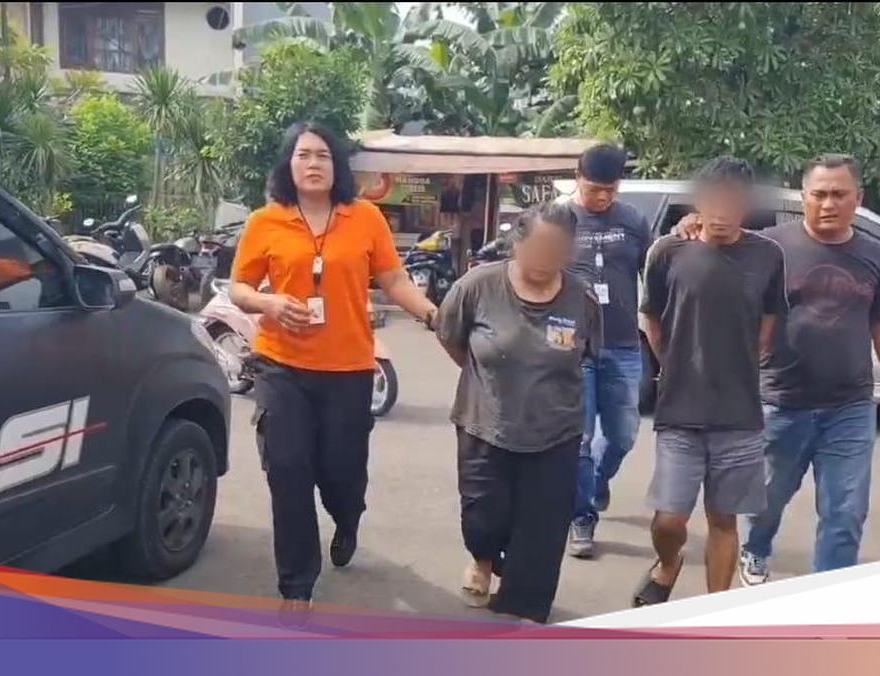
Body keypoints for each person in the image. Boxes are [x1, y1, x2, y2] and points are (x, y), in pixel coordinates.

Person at [229, 121, 439, 625]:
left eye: (323, 155)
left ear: (337, 165)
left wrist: (433, 314)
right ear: (289, 165)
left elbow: (393, 277)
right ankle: (296, 586)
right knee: (287, 471)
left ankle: (347, 519)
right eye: (303, 155)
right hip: (281, 366)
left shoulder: (364, 217)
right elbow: (239, 287)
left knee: (342, 473)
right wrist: (268, 303)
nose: (313, 163)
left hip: (348, 369)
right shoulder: (265, 221)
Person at [677, 154, 880, 584]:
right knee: (767, 500)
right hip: (779, 401)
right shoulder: (767, 248)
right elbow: (713, 240)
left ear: (858, 198)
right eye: (819, 194)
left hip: (850, 407)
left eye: (839, 194)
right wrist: (691, 224)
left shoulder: (875, 257)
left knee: (846, 511)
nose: (828, 203)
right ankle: (756, 548)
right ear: (803, 197)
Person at [436, 201, 602, 624]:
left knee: (543, 529)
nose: (547, 258)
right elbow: (451, 336)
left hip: (556, 430)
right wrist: (487, 378)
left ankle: (523, 613)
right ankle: (484, 558)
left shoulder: (581, 298)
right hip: (485, 423)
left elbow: (587, 355)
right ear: (517, 243)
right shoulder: (478, 286)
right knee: (482, 518)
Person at [632, 157, 786, 606]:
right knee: (669, 519)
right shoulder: (668, 251)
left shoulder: (767, 255)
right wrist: (673, 363)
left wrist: (743, 362)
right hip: (679, 409)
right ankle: (667, 562)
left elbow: (770, 318)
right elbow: (652, 316)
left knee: (723, 520)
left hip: (739, 414)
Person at [565, 143, 652, 558]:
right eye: (594, 188)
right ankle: (581, 516)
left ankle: (598, 481)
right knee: (578, 440)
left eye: (610, 189)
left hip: (623, 344)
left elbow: (656, 272)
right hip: (573, 348)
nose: (602, 197)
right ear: (577, 178)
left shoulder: (633, 221)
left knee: (622, 435)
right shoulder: (559, 221)